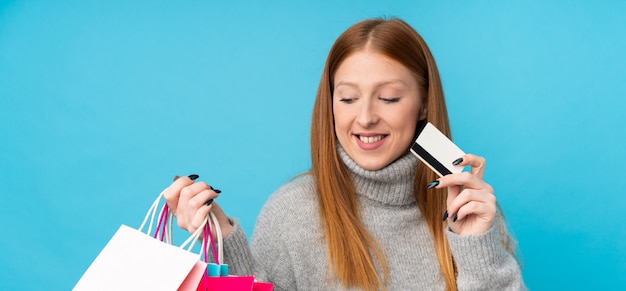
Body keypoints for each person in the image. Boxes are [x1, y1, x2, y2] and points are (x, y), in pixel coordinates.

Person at [164, 17, 525, 290]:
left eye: (389, 98)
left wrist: (477, 245)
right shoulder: (291, 215)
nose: (365, 118)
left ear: (424, 104)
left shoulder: (467, 210)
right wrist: (225, 243)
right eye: (348, 98)